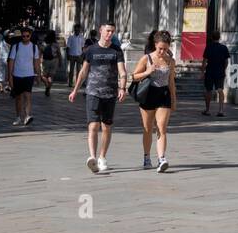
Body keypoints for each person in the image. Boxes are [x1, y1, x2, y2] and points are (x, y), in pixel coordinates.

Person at [68, 22, 126, 174]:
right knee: (93, 126)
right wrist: (75, 90)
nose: (110, 34)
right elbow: (83, 72)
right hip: (92, 92)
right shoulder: (91, 50)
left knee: (106, 127)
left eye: (112, 31)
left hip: (110, 93)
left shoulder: (116, 51)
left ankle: (102, 157)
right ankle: (92, 158)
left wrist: (122, 87)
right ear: (101, 31)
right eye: (107, 31)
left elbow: (122, 72)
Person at [132, 30, 176, 172]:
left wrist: (174, 99)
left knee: (162, 127)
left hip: (164, 95)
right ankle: (146, 157)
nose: (162, 52)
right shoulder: (146, 58)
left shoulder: (171, 61)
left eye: (165, 49)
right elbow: (134, 76)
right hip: (148, 95)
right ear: (155, 44)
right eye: (160, 48)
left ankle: (162, 158)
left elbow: (171, 82)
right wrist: (147, 72)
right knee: (147, 128)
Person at [8, 26, 40, 126]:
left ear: (30, 36)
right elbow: (11, 61)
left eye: (27, 36)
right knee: (18, 98)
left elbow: (36, 62)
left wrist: (38, 74)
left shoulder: (34, 47)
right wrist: (10, 76)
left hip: (29, 75)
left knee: (28, 96)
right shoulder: (16, 46)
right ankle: (18, 117)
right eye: (23, 36)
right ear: (21, 36)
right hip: (17, 75)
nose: (25, 38)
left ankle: (27, 116)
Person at [201, 31, 230, 117]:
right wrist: (223, 69)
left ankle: (207, 110)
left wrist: (202, 72)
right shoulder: (224, 48)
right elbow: (226, 61)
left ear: (211, 38)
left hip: (210, 71)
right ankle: (221, 110)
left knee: (208, 90)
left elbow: (204, 61)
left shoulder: (208, 47)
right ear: (219, 37)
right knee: (220, 89)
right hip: (220, 71)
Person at [40, 31, 62, 96]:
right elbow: (59, 53)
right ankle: (48, 89)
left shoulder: (44, 43)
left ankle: (47, 85)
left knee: (43, 76)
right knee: (50, 76)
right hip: (54, 60)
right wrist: (60, 61)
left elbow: (41, 52)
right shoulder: (56, 43)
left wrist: (39, 60)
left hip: (45, 61)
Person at [0, 26, 9, 93]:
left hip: (1, 58)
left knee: (1, 73)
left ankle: (1, 88)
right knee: (10, 72)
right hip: (9, 59)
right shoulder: (11, 43)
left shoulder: (1, 42)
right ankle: (8, 85)